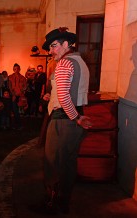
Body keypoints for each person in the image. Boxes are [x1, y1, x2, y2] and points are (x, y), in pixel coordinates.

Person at [38, 27, 92, 214]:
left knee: (53, 163)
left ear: (66, 44)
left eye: (54, 46)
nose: (51, 51)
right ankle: (63, 202)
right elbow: (67, 91)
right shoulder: (80, 61)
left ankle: (51, 205)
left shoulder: (64, 63)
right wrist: (49, 96)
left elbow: (63, 95)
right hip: (73, 121)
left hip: (64, 122)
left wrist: (76, 118)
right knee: (68, 164)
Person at [8, 63, 27, 129]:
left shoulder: (23, 78)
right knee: (15, 110)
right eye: (15, 69)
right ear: (13, 69)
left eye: (17, 69)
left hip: (20, 96)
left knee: (19, 111)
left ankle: (17, 124)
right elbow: (9, 87)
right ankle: (18, 124)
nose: (16, 70)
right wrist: (13, 94)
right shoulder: (10, 77)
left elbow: (25, 86)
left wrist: (22, 91)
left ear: (19, 69)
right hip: (13, 96)